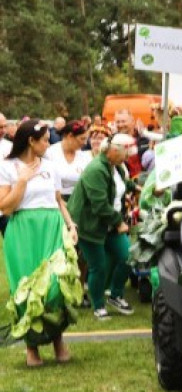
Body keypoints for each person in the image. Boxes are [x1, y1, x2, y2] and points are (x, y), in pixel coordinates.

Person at [0, 119, 82, 366]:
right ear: (31, 141)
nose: (49, 143)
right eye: (45, 139)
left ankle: (58, 341)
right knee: (27, 288)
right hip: (23, 228)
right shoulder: (8, 166)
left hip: (51, 226)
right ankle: (32, 349)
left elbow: (58, 200)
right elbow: (5, 207)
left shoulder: (50, 166)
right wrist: (22, 181)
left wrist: (70, 225)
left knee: (56, 286)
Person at [67, 133, 138, 318]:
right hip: (90, 225)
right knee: (97, 266)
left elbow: (121, 185)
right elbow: (99, 205)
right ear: (114, 151)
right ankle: (98, 306)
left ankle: (115, 295)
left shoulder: (117, 166)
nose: (128, 157)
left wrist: (137, 187)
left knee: (128, 257)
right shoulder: (96, 169)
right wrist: (119, 222)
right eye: (126, 153)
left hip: (110, 223)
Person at [45, 119, 91, 200]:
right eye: (82, 139)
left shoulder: (84, 156)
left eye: (86, 139)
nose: (85, 143)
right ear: (70, 136)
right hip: (54, 200)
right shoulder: (50, 153)